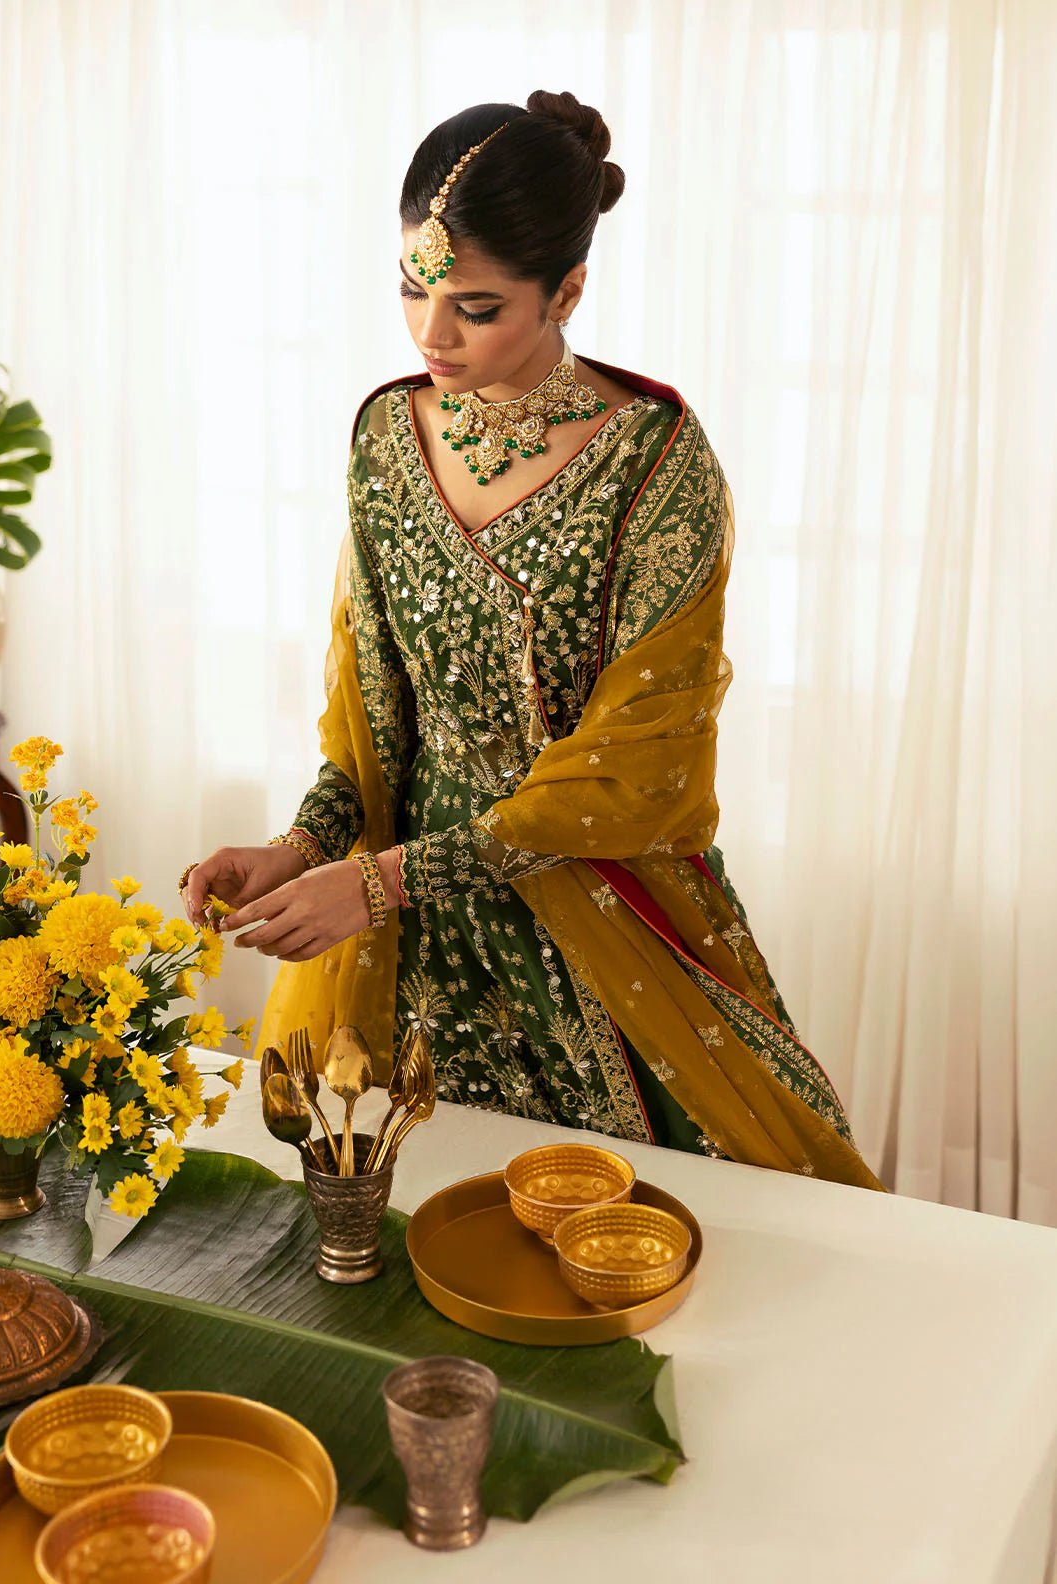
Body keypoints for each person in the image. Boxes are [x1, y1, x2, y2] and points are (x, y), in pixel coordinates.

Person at [181, 91, 882, 1189]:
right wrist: (306, 846)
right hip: (402, 940)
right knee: (380, 1238)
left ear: (568, 291)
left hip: (597, 922)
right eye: (410, 291)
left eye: (475, 306)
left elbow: (633, 775)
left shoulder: (656, 471)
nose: (430, 334)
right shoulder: (383, 438)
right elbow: (377, 720)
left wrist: (373, 883)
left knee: (636, 1247)